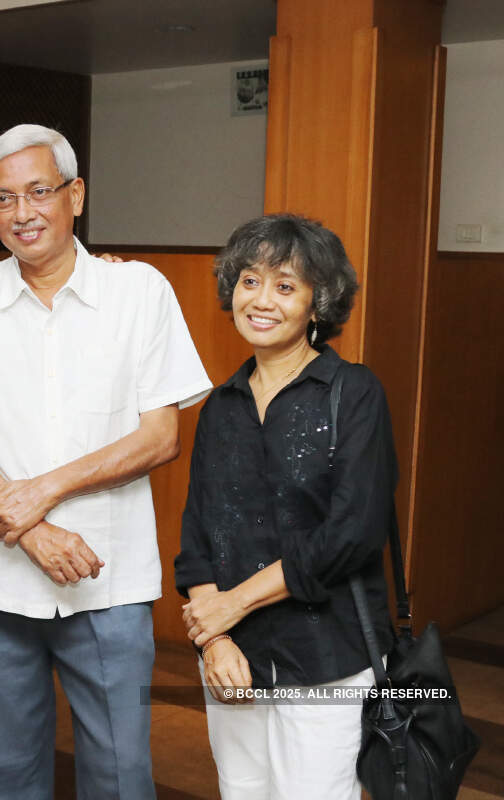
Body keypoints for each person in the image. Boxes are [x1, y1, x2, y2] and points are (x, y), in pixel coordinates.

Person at [0, 123, 212, 799]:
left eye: (39, 191)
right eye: (3, 199)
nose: (22, 213)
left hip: (106, 582)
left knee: (122, 776)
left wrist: (41, 492)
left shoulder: (140, 293)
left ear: (76, 194)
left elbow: (161, 437)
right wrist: (34, 531)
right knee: (4, 778)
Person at [174, 213, 397, 800]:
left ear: (316, 305)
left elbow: (352, 533)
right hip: (234, 655)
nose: (261, 300)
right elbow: (196, 534)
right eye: (249, 280)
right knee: (242, 791)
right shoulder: (221, 404)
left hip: (325, 654)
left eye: (285, 285)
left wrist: (231, 607)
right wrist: (215, 639)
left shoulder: (354, 393)